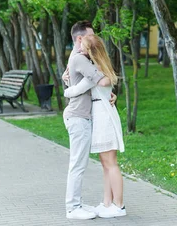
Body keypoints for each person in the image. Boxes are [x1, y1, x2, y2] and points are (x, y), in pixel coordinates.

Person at [64, 34, 126, 218]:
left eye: (83, 47)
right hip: (99, 114)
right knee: (106, 164)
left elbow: (81, 88)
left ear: (91, 50)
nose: (80, 50)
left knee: (110, 163)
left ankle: (119, 205)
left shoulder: (95, 70)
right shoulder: (96, 66)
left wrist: (67, 90)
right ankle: (107, 203)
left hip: (103, 115)